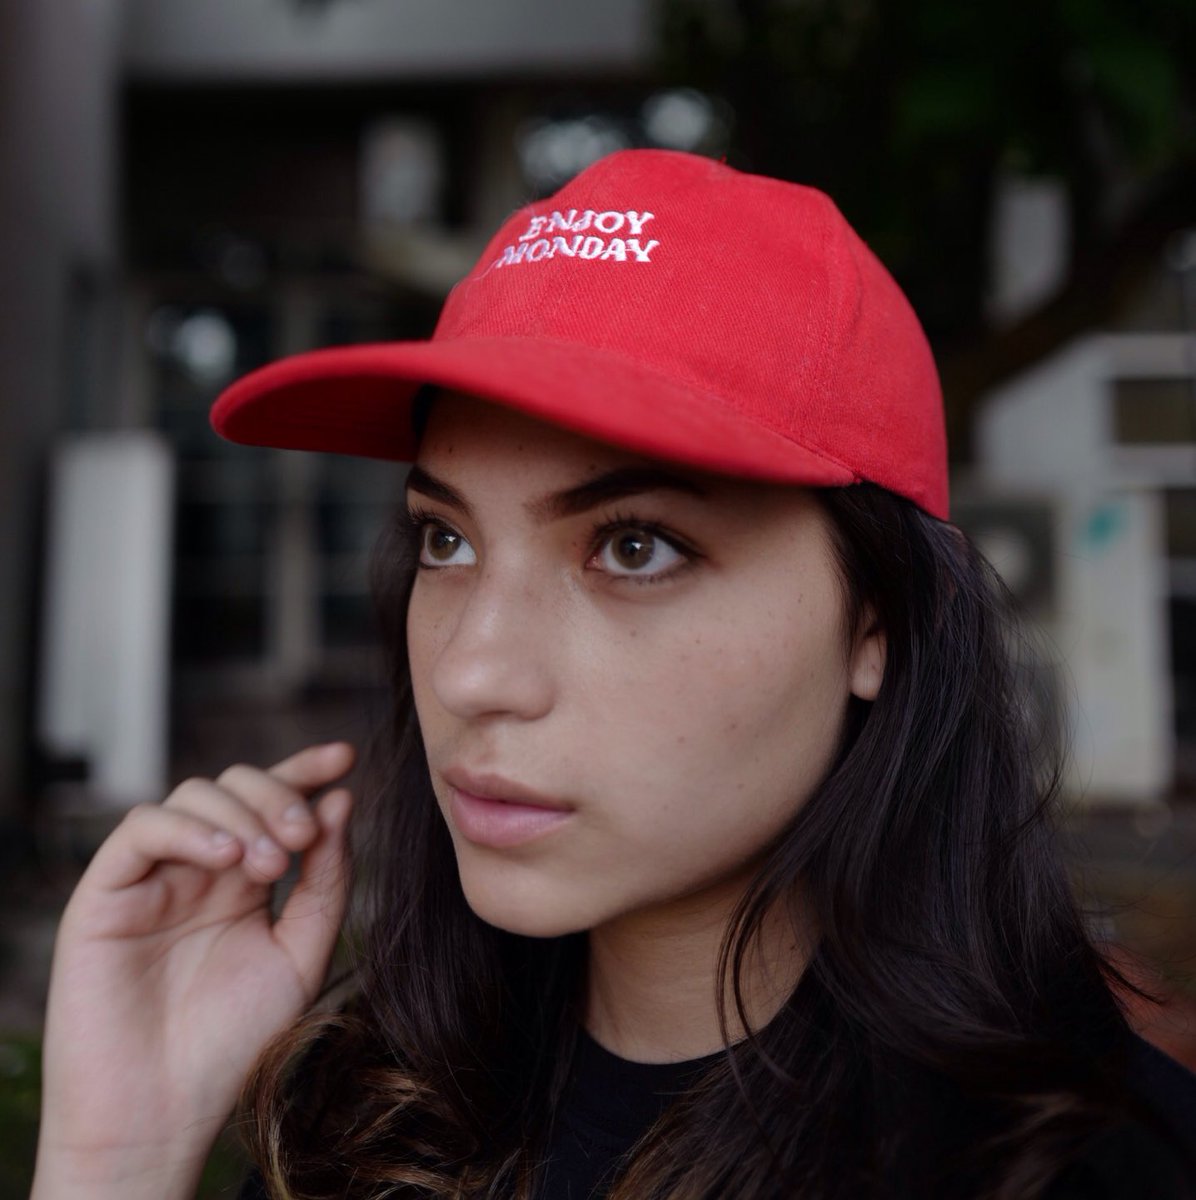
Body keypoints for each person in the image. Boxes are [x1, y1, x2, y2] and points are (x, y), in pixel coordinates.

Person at [30, 149, 1196, 1200]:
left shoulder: (1079, 1169)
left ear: (875, 621)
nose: (473, 672)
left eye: (634, 547)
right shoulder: (361, 1126)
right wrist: (116, 1158)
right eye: (446, 539)